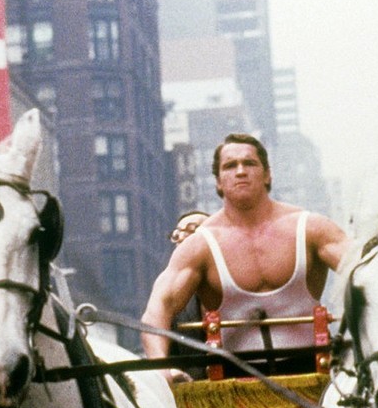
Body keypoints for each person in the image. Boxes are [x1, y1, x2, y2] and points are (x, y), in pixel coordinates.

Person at [142, 133, 348, 380]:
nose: (240, 171)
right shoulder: (200, 245)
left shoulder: (312, 228)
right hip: (232, 381)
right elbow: (157, 310)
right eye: (230, 166)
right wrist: (161, 369)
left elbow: (365, 270)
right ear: (218, 182)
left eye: (249, 163)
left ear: (267, 174)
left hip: (314, 372)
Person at [169, 210, 210, 381]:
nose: (181, 237)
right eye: (177, 234)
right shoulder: (172, 297)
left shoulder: (240, 280)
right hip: (193, 389)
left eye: (191, 229)